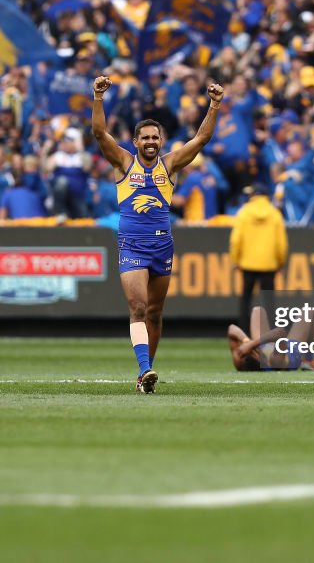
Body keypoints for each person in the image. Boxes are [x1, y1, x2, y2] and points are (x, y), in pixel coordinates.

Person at [91, 74, 224, 393]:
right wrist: (98, 97)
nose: (150, 142)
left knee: (155, 312)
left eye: (155, 138)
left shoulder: (170, 165)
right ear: (135, 142)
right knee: (137, 307)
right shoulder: (123, 163)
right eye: (145, 138)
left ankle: (144, 375)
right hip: (132, 245)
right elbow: (99, 132)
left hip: (163, 245)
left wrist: (215, 104)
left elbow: (201, 139)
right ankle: (145, 368)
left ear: (161, 141)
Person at [229, 183, 287, 330]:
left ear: (255, 195)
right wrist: (280, 261)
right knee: (269, 301)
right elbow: (281, 243)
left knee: (246, 300)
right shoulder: (275, 213)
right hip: (269, 264)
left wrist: (235, 260)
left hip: (247, 263)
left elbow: (236, 240)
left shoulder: (244, 212)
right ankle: (270, 332)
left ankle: (244, 332)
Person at [227, 306, 314, 372]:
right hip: (290, 350)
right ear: (261, 359)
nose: (255, 350)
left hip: (268, 345)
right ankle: (308, 360)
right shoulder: (275, 362)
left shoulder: (240, 361)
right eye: (256, 352)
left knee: (257, 310)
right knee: (308, 312)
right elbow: (280, 333)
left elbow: (231, 328)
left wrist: (246, 341)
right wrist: (251, 344)